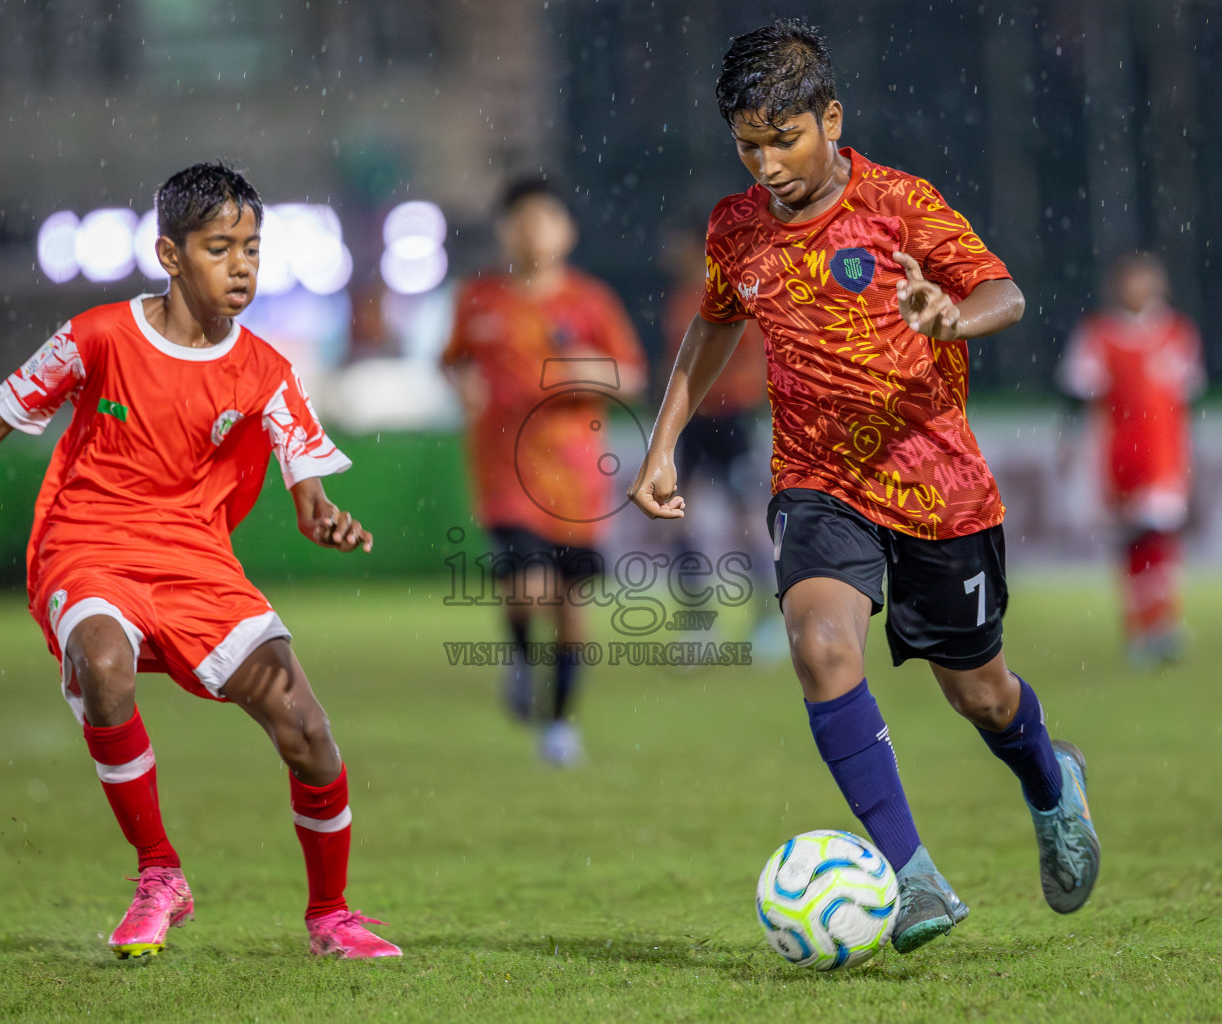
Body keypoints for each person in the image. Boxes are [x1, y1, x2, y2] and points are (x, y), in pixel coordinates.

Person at [0, 163, 400, 961]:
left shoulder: (266, 372)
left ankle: (332, 916)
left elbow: (308, 497)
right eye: (219, 248)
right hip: (88, 546)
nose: (241, 265)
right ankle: (159, 875)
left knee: (307, 731)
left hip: (195, 562)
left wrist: (326, 517)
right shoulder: (98, 335)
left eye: (252, 248)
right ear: (169, 254)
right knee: (103, 663)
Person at [628, 20, 1100, 954]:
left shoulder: (898, 205)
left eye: (785, 139)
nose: (766, 165)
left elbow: (1003, 291)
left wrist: (951, 316)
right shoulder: (735, 229)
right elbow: (715, 326)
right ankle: (911, 876)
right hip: (817, 482)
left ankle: (1053, 783)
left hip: (937, 490)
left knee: (980, 695)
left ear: (831, 118)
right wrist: (661, 443)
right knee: (816, 641)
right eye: (748, 146)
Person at [441, 177, 646, 766]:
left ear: (566, 231)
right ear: (505, 230)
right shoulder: (479, 299)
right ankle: (521, 657)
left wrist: (586, 371)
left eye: (544, 219)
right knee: (529, 587)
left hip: (578, 480)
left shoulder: (590, 302)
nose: (532, 232)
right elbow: (453, 362)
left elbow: (630, 375)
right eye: (521, 220)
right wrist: (464, 384)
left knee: (572, 607)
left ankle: (559, 723)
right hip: (505, 473)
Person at [1060, 252, 1204, 666]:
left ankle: (1161, 624)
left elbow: (1188, 398)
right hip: (1118, 457)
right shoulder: (1099, 335)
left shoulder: (1177, 333)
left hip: (1164, 455)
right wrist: (1069, 444)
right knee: (1134, 542)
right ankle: (1144, 629)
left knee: (1158, 537)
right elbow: (1077, 394)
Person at [659, 223, 784, 658]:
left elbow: (757, 362)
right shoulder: (678, 301)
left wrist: (726, 387)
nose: (668, 250)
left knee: (749, 523)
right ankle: (697, 626)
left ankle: (768, 623)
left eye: (675, 241)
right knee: (677, 518)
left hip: (731, 422)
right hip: (693, 424)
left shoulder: (734, 294)